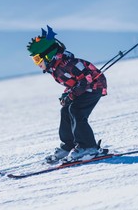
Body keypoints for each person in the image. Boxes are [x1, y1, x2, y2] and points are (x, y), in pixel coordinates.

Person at [27, 26, 107, 163]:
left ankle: (88, 147)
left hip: (94, 87)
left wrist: (71, 95)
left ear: (48, 55)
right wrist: (67, 95)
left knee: (76, 110)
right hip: (83, 89)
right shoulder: (56, 68)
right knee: (65, 110)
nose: (37, 64)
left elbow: (86, 80)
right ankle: (68, 146)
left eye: (37, 60)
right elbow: (73, 84)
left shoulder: (68, 64)